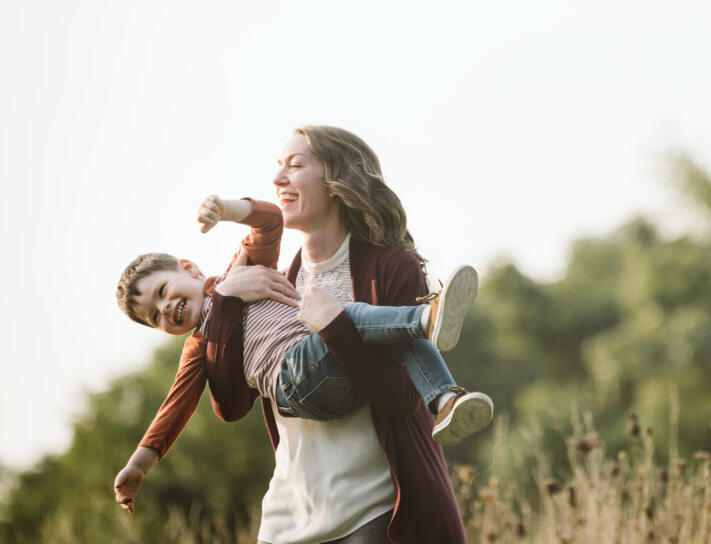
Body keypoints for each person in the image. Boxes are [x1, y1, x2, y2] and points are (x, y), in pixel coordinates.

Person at [155, 126, 468, 543]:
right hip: (287, 521)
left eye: (295, 165)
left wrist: (337, 327)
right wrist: (226, 296)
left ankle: (441, 369)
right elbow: (230, 403)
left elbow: (402, 399)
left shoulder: (391, 267)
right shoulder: (277, 284)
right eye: (277, 167)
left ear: (338, 181)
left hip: (373, 514)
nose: (278, 179)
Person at [112, 197, 493, 517]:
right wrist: (138, 465)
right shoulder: (200, 346)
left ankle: (444, 401)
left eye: (162, 292)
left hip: (335, 372)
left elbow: (270, 222)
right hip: (296, 379)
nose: (166, 309)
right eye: (155, 317)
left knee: (388, 334)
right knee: (354, 316)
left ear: (189, 268)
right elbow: (174, 406)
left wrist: (225, 209)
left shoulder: (242, 269)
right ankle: (428, 317)